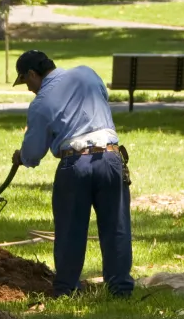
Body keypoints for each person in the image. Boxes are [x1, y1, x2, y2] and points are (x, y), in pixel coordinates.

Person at [10, 50, 134, 298]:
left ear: (33, 74)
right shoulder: (87, 74)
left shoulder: (41, 102)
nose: (28, 89)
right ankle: (120, 288)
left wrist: (21, 157)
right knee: (116, 226)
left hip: (74, 164)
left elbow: (34, 152)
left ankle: (66, 288)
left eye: (25, 81)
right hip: (110, 158)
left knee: (70, 229)